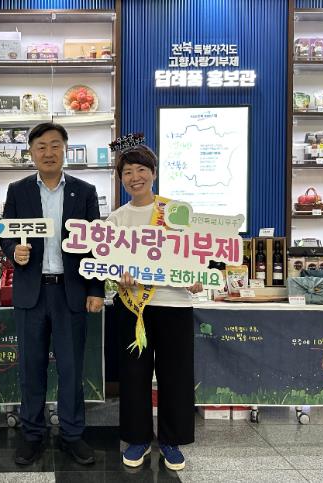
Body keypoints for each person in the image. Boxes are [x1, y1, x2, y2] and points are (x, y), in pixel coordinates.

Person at [0, 122, 104, 466]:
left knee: (72, 368)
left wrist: (96, 289)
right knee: (31, 368)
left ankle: (72, 434)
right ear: (31, 152)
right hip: (31, 293)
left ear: (65, 149)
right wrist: (14, 251)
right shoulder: (18, 190)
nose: (48, 152)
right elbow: (6, 234)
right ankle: (32, 434)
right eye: (41, 146)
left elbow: (96, 246)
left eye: (55, 145)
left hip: (70, 292)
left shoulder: (84, 191)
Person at [107, 142, 200, 471]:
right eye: (127, 172)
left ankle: (172, 440)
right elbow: (108, 265)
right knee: (134, 375)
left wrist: (197, 277)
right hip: (133, 308)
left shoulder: (175, 212)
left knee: (176, 374)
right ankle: (138, 438)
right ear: (120, 178)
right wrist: (118, 276)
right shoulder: (116, 219)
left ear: (154, 173)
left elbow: (196, 255)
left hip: (174, 304)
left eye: (141, 170)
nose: (135, 177)